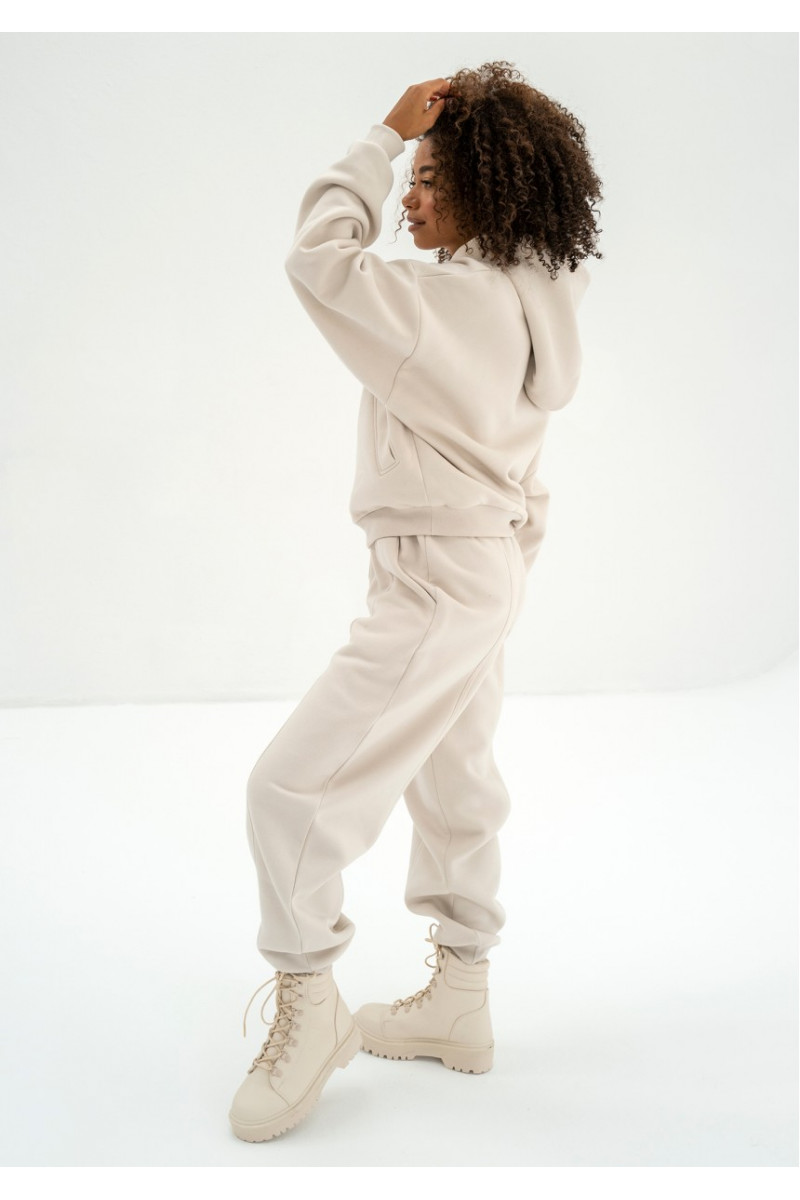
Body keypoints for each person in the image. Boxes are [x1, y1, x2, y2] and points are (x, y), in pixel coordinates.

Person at [228, 61, 602, 1142]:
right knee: (454, 777)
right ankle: (459, 1002)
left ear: (489, 186)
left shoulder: (442, 305)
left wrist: (382, 136)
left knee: (288, 793)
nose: (408, 196)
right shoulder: (524, 303)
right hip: (479, 567)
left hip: (438, 575)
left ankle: (311, 1005)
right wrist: (497, 575)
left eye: (433, 178)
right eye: (410, 174)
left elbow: (318, 261)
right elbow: (527, 479)